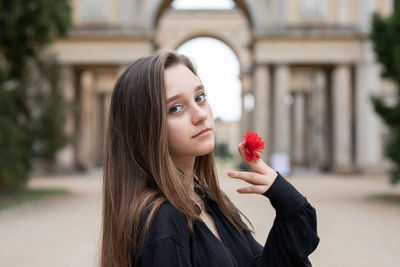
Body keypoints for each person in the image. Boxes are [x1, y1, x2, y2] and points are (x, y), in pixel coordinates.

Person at [100, 51, 319, 267]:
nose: (201, 114)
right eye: (175, 108)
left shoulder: (208, 199)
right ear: (143, 128)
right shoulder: (163, 221)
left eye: (200, 97)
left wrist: (286, 199)